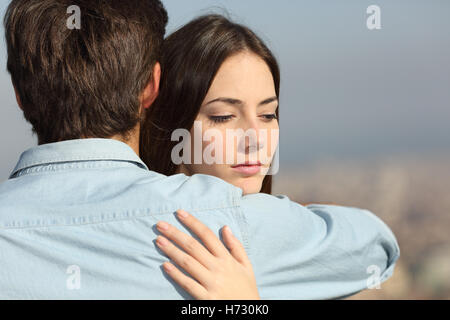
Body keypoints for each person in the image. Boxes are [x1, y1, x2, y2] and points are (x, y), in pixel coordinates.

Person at [0, 0, 399, 299]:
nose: (254, 139)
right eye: (223, 117)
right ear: (152, 89)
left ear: (18, 96)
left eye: (269, 114)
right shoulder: (217, 228)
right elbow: (374, 245)